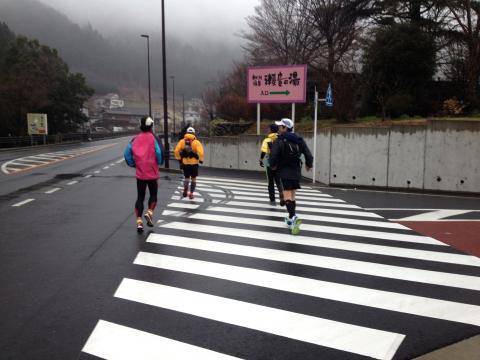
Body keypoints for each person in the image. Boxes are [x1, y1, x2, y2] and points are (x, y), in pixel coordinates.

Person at [269, 118, 313, 235]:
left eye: (280, 126)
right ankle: (290, 218)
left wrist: (272, 165)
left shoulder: (279, 140)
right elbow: (307, 153)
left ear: (285, 128)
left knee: (287, 196)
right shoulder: (299, 139)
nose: (278, 128)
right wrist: (309, 164)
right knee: (292, 196)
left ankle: (294, 218)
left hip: (285, 171)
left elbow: (273, 156)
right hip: (296, 171)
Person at [124, 116, 163, 232]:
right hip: (152, 172)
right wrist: (158, 162)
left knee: (140, 198)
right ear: (151, 126)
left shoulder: (135, 139)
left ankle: (139, 222)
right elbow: (159, 153)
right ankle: (150, 212)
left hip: (140, 173)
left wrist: (134, 164)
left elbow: (127, 154)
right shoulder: (153, 138)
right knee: (153, 195)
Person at [174, 127, 204, 199]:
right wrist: (200, 159)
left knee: (186, 178)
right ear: (194, 133)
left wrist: (179, 159)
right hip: (194, 164)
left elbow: (176, 151)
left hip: (185, 164)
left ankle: (185, 188)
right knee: (193, 179)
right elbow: (201, 153)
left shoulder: (182, 141)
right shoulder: (196, 142)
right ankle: (191, 193)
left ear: (186, 133)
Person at [259, 124, 284, 206]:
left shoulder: (267, 140)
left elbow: (264, 151)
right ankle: (281, 192)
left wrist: (261, 159)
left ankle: (272, 198)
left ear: (271, 130)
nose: (267, 129)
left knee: (270, 181)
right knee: (278, 180)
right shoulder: (281, 138)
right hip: (279, 162)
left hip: (270, 162)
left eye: (268, 128)